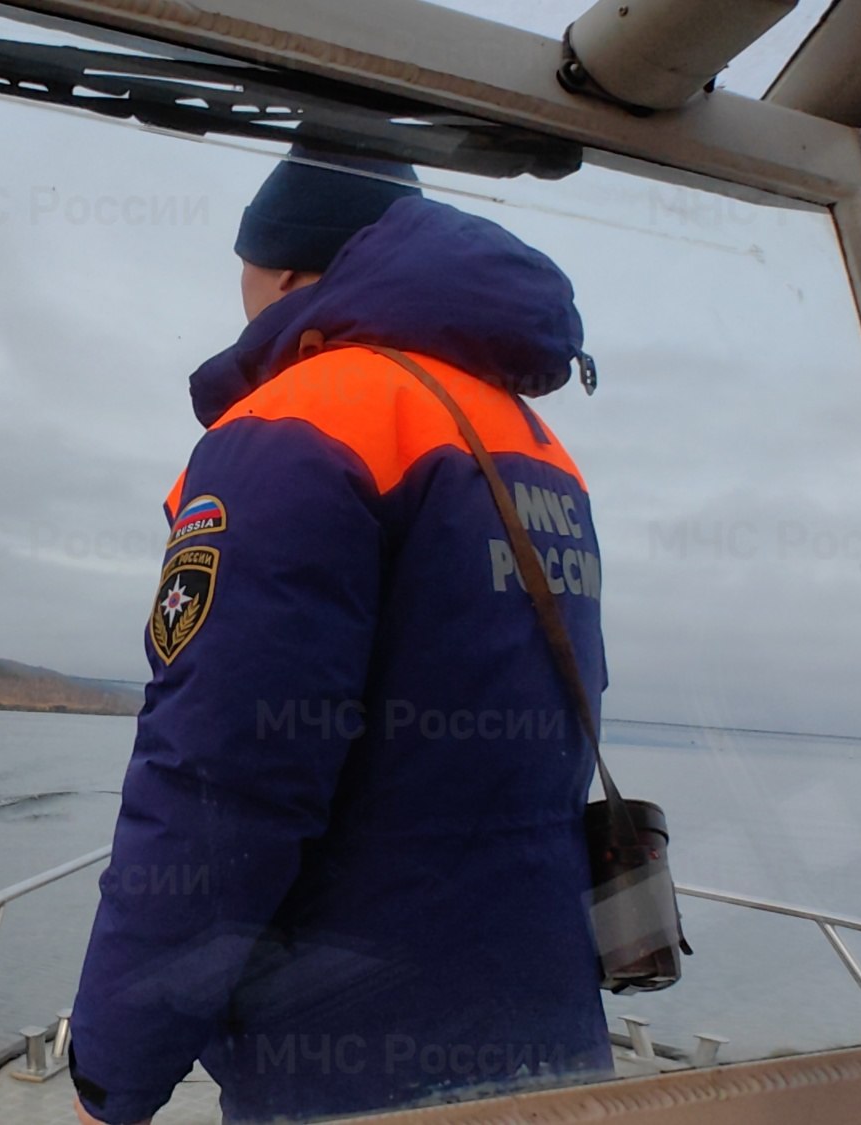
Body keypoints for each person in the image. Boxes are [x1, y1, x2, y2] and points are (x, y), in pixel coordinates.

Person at [68, 146, 612, 1125]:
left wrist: (112, 1067)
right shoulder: (531, 442)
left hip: (353, 1055)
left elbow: (219, 777)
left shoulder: (297, 423)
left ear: (277, 270)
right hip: (542, 1023)